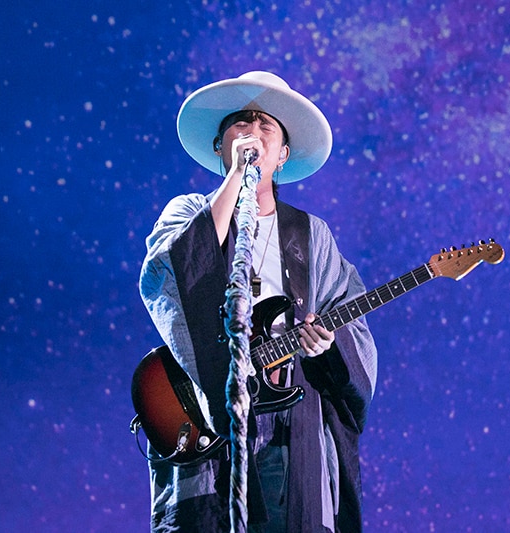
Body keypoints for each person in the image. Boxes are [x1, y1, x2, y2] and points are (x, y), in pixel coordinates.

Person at [139, 71, 378, 532]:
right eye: (241, 122)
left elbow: (352, 322)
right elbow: (168, 274)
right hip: (207, 420)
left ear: (283, 153)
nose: (253, 131)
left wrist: (326, 344)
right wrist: (237, 177)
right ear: (219, 145)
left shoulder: (311, 235)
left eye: (267, 125)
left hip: (289, 423)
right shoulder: (186, 211)